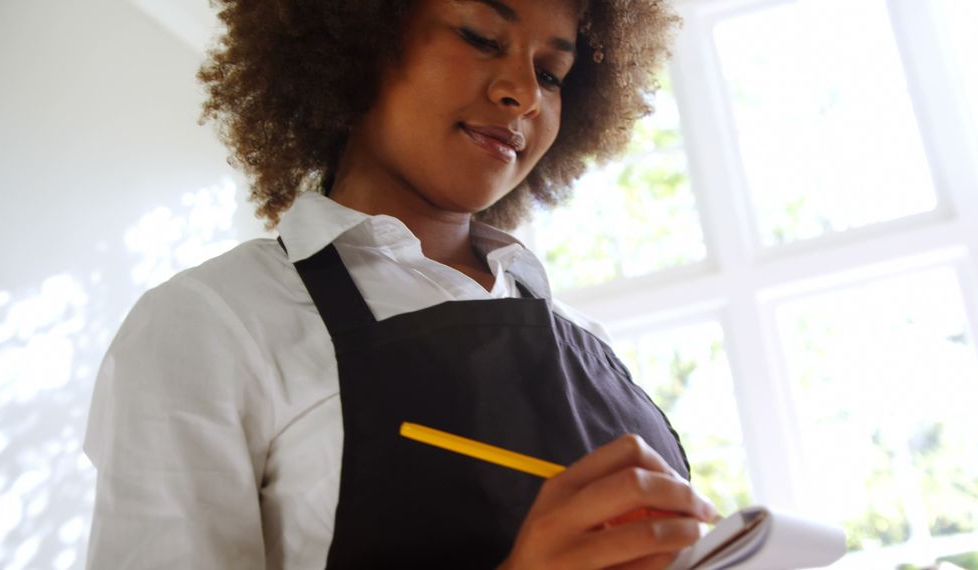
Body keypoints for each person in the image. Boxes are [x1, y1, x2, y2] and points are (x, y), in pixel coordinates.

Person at [85, 0, 719, 568]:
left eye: (552, 74)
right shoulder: (214, 322)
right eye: (479, 36)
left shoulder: (589, 341)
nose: (524, 92)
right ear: (357, 41)